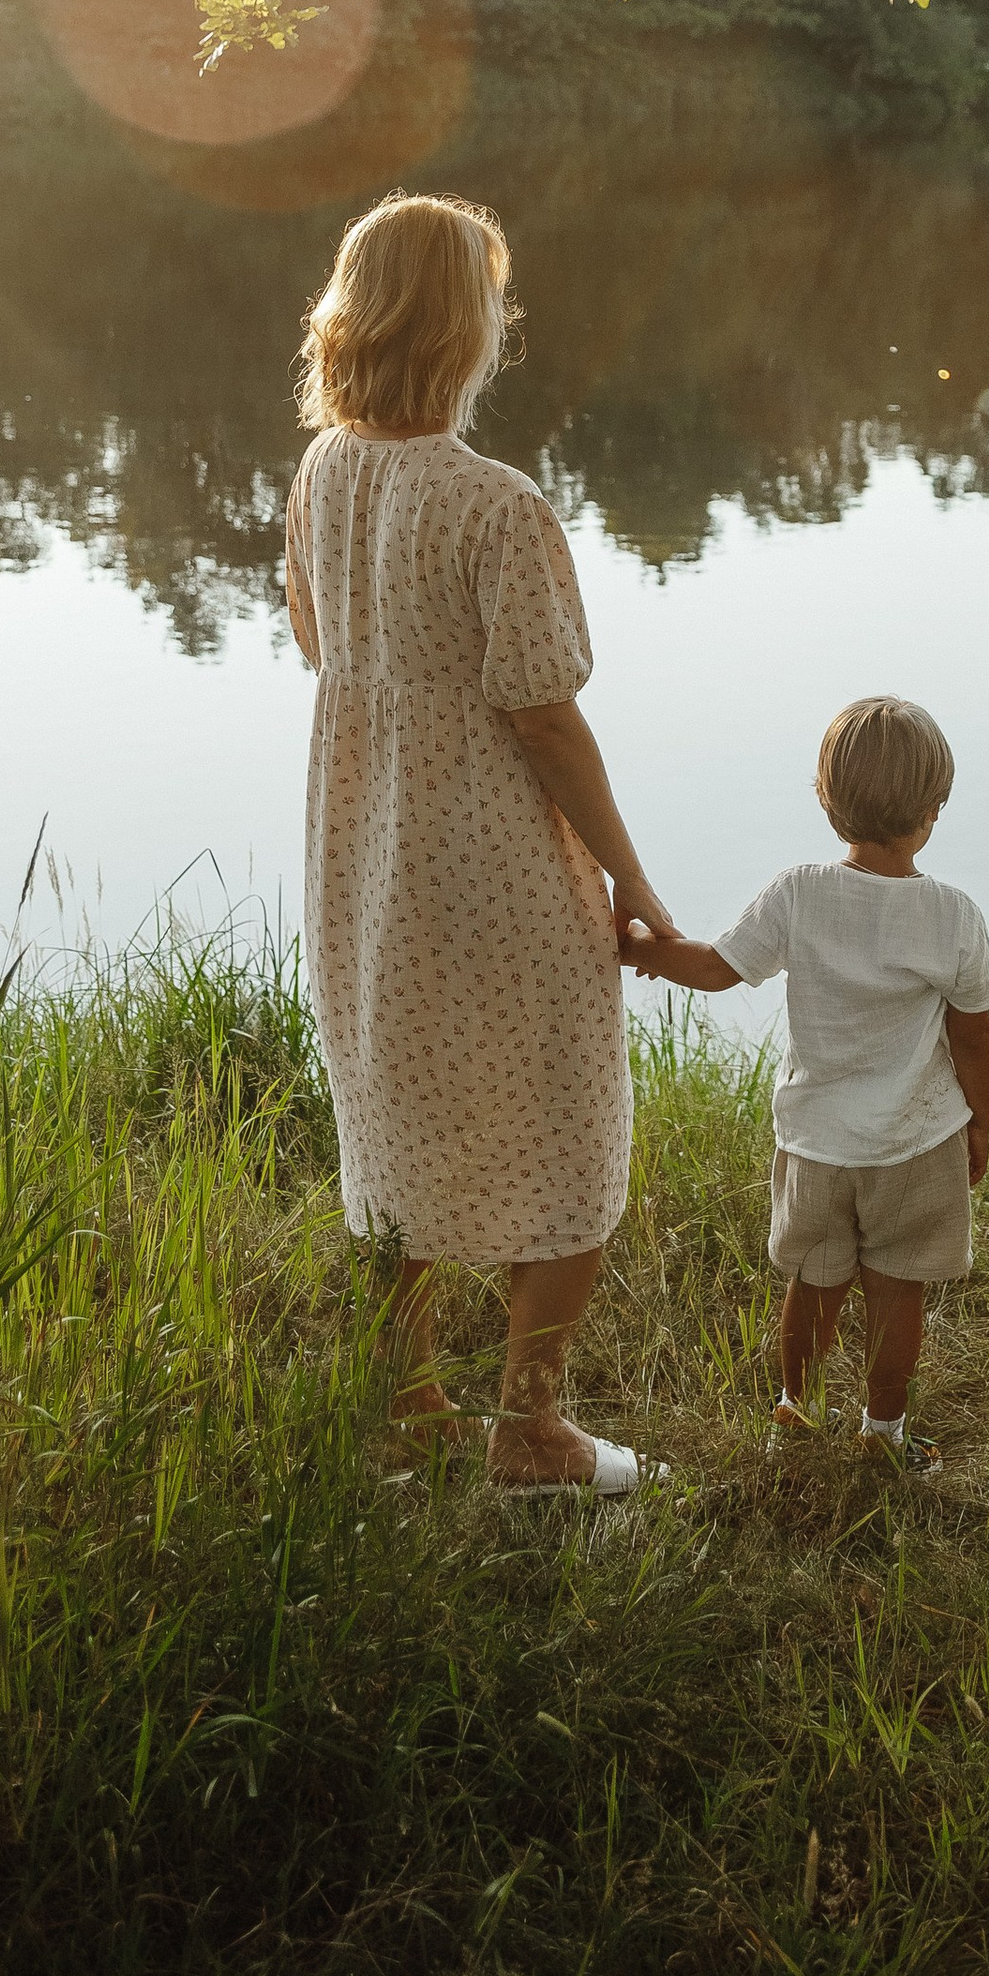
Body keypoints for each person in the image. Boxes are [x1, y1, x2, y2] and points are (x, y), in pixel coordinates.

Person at [284, 191, 682, 1491]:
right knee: (571, 1136)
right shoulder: (498, 506)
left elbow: (316, 644)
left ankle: (410, 1412)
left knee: (396, 1112)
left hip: (361, 853)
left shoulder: (325, 472)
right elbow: (546, 718)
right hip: (495, 857)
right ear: (466, 328)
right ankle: (529, 1430)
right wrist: (634, 883)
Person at [624, 695, 989, 1475]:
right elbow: (973, 1033)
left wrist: (641, 950)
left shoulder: (798, 892)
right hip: (915, 1144)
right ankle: (884, 1434)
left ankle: (795, 1414)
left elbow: (716, 969)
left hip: (817, 1145)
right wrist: (978, 1124)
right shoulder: (952, 917)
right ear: (934, 811)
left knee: (813, 1285)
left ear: (828, 801)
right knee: (899, 1295)